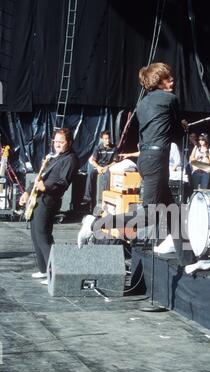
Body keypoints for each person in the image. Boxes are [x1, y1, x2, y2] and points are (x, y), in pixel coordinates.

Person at [78, 62, 182, 254]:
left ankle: (188, 260)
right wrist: (184, 126)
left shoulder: (142, 105)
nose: (172, 80)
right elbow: (177, 126)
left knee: (173, 211)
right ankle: (96, 222)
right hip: (156, 159)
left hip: (146, 159)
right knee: (148, 216)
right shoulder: (169, 99)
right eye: (167, 78)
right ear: (158, 81)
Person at [19, 128, 79, 283]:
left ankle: (54, 272)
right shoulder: (53, 157)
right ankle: (43, 269)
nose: (57, 144)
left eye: (61, 141)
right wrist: (27, 192)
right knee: (35, 235)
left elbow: (63, 182)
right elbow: (39, 177)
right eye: (56, 141)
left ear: (69, 142)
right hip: (37, 198)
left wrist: (45, 187)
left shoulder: (71, 159)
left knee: (43, 235)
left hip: (49, 200)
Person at [83, 130, 118, 209]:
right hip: (98, 166)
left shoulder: (114, 148)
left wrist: (107, 167)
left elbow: (115, 161)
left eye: (108, 138)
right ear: (102, 139)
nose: (107, 140)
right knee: (91, 172)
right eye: (105, 139)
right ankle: (87, 196)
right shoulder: (97, 147)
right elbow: (93, 160)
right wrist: (98, 167)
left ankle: (105, 197)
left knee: (107, 175)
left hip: (108, 166)